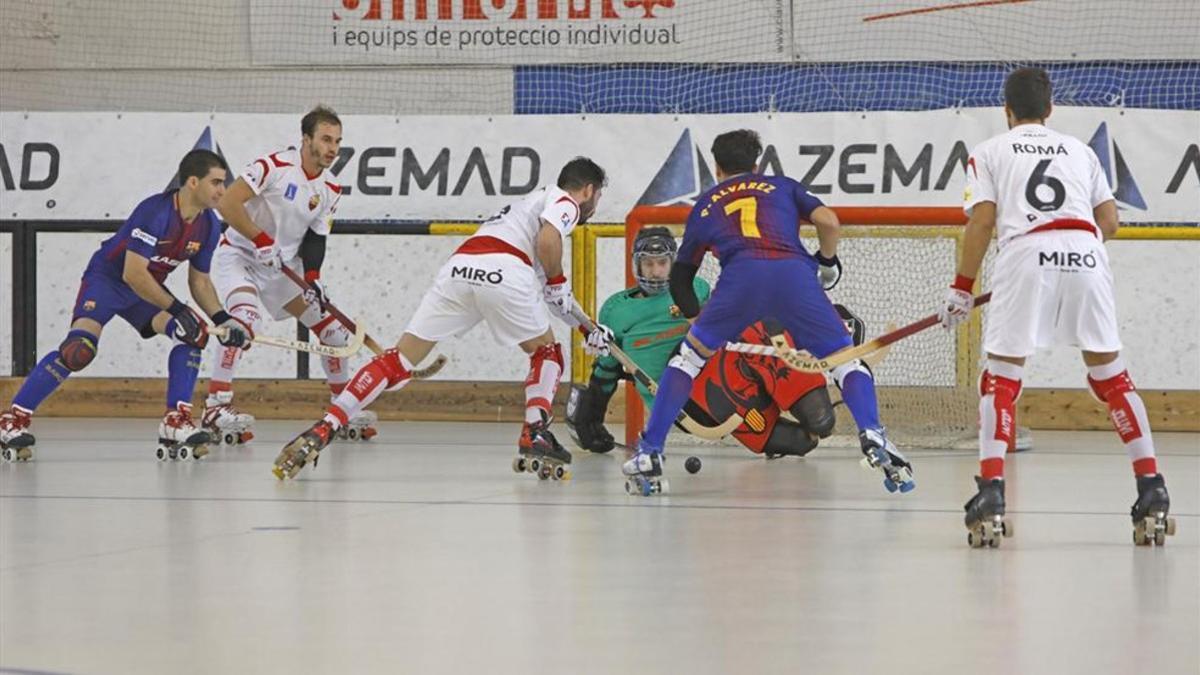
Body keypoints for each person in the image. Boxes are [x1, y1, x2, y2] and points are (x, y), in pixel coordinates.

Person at [942, 67, 1173, 547]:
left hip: (1025, 254)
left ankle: (992, 491)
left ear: (1006, 111)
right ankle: (1152, 486)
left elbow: (982, 222)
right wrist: (1069, 246)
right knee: (1111, 377)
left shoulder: (987, 152)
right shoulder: (1081, 150)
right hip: (1088, 252)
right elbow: (1109, 222)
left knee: (1001, 379)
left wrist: (962, 287)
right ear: (1050, 110)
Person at [272, 157, 612, 479]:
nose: (594, 205)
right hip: (505, 270)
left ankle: (328, 424)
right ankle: (534, 432)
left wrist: (587, 328)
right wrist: (557, 283)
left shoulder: (526, 210)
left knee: (398, 359)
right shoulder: (566, 202)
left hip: (460, 268)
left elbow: (554, 297)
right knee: (546, 352)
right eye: (597, 196)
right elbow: (550, 245)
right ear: (588, 190)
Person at [622, 129, 914, 496]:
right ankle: (873, 434)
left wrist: (699, 323)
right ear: (756, 165)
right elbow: (829, 222)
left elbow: (682, 275)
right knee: (847, 362)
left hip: (740, 279)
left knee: (687, 361)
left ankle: (650, 451)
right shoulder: (781, 186)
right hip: (793, 275)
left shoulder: (707, 203)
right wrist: (827, 261)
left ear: (717, 167)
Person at [0, 150, 252, 461]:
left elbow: (199, 282)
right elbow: (132, 273)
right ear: (192, 181)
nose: (222, 190)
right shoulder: (155, 211)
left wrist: (223, 319)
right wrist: (177, 309)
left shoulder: (210, 225)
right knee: (78, 350)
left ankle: (176, 420)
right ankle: (12, 420)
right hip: (108, 281)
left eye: (224, 183)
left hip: (144, 291)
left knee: (192, 334)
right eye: (216, 182)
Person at [567, 226, 839, 459]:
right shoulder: (615, 311)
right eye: (648, 263)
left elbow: (727, 334)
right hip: (685, 406)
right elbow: (607, 370)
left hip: (719, 376)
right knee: (805, 441)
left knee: (757, 322)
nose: (656, 271)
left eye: (662, 263)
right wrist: (591, 418)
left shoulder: (694, 289)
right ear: (636, 265)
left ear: (673, 263)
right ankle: (765, 419)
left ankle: (800, 394)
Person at [203, 105, 374, 445]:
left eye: (337, 142)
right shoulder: (274, 166)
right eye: (325, 139)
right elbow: (228, 205)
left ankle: (343, 408)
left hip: (284, 268)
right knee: (243, 322)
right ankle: (215, 406)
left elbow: (315, 237)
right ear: (305, 139)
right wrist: (260, 238)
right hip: (240, 257)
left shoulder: (331, 188)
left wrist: (312, 275)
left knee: (336, 335)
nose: (332, 149)